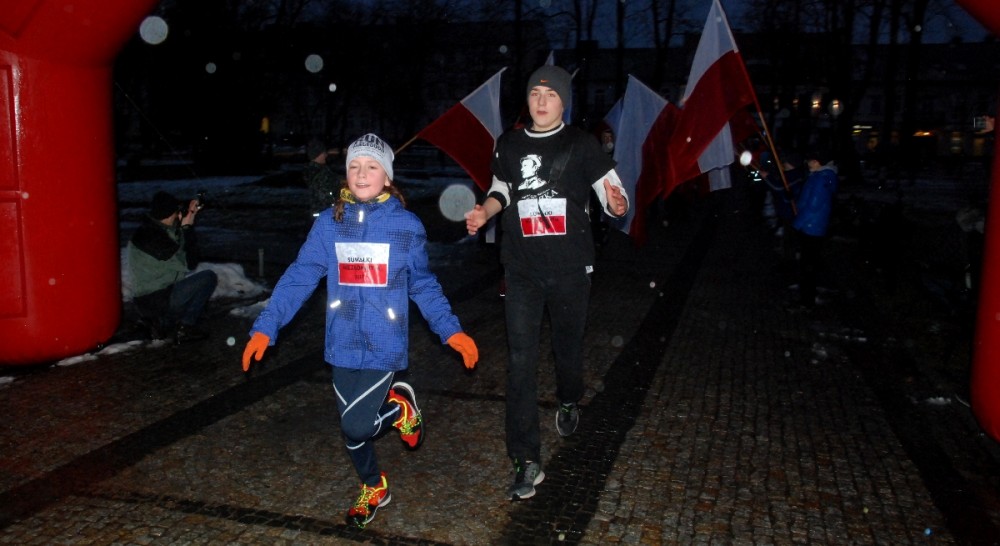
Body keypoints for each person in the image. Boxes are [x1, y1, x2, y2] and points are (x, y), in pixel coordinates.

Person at [242, 133, 479, 529]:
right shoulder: (329, 224)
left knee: (355, 423)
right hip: (342, 342)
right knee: (353, 431)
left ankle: (400, 407)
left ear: (387, 176)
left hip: (384, 344)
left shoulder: (405, 226)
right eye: (354, 166)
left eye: (371, 166)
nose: (362, 173)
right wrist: (267, 327)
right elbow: (300, 276)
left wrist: (450, 330)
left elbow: (422, 284)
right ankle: (375, 487)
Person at [463, 65, 629, 500]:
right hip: (521, 268)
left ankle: (569, 397)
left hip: (571, 267)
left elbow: (612, 191)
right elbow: (501, 190)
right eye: (535, 93)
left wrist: (617, 202)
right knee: (520, 360)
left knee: (567, 350)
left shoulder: (581, 144)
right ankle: (525, 458)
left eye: (550, 94)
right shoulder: (510, 144)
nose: (541, 101)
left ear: (563, 102)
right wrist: (484, 211)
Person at [127, 190, 217, 343]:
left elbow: (175, 241)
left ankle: (161, 323)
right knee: (208, 278)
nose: (178, 215)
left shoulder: (149, 230)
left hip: (148, 299)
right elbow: (190, 262)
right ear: (170, 214)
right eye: (176, 212)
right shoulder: (154, 239)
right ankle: (185, 327)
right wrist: (187, 228)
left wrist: (190, 213)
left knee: (195, 302)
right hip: (158, 298)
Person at [791, 148, 838, 309]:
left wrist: (797, 224)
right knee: (809, 264)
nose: (807, 163)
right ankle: (807, 298)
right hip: (814, 226)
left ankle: (807, 301)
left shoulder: (820, 179)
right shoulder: (821, 176)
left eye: (810, 160)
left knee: (808, 266)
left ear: (816, 162)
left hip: (811, 227)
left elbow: (813, 206)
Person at [760, 148, 804, 262]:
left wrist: (767, 177)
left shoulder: (795, 176)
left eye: (786, 162)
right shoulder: (789, 174)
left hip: (791, 213)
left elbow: (778, 187)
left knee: (790, 238)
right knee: (785, 236)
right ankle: (785, 254)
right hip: (785, 211)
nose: (783, 163)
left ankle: (790, 260)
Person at [304, 139, 340, 214]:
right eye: (324, 153)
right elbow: (324, 196)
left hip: (320, 212)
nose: (326, 155)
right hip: (324, 213)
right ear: (318, 154)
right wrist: (336, 204)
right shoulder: (320, 174)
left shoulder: (313, 170)